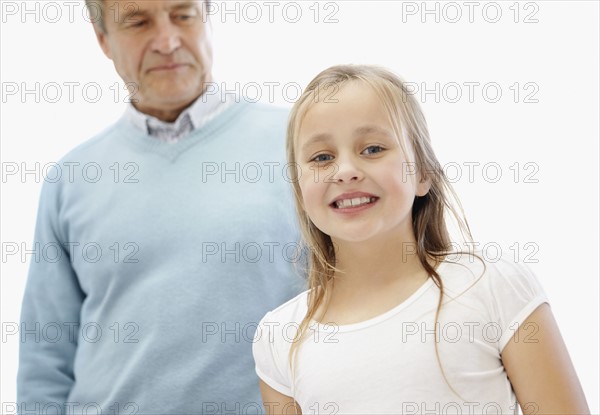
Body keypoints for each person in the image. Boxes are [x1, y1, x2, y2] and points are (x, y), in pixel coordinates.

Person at [252, 65, 590, 414]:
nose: (346, 170)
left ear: (423, 173)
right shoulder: (279, 336)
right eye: (322, 157)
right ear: (299, 189)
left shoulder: (493, 287)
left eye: (372, 149)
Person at [17, 0, 303, 413]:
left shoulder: (304, 145)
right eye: (138, 22)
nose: (167, 42)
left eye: (183, 15)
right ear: (103, 40)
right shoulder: (72, 177)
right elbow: (46, 355)